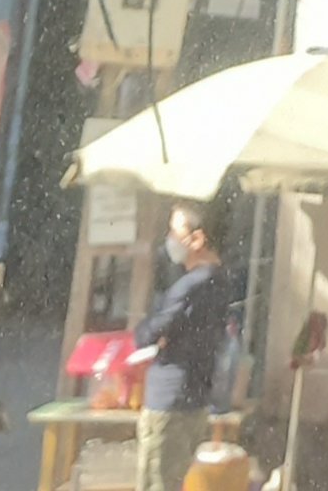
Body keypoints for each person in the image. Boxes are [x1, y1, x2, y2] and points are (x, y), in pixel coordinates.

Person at [128, 203, 235, 491]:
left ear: (197, 239)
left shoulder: (189, 286)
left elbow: (149, 333)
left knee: (156, 483)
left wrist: (149, 334)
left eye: (175, 232)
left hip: (168, 398)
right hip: (197, 397)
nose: (169, 240)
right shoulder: (221, 281)